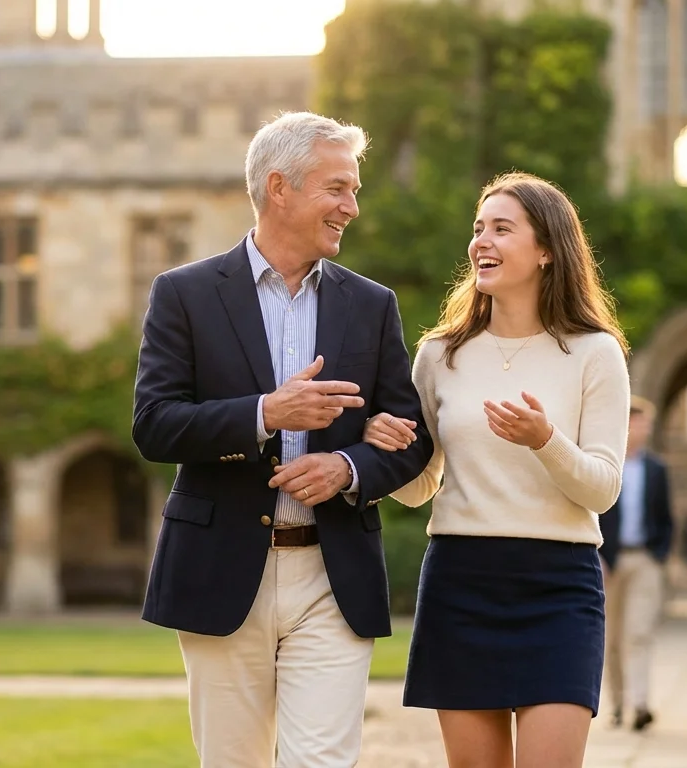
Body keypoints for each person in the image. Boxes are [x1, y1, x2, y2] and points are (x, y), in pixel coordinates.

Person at [131, 111, 434, 768]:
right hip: (219, 571)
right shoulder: (184, 296)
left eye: (353, 190)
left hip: (334, 576)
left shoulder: (371, 304)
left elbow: (411, 439)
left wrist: (349, 468)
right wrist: (267, 412)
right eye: (338, 189)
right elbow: (154, 424)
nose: (352, 207)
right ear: (280, 188)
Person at [361, 171, 630, 768]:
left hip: (559, 587)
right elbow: (419, 487)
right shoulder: (440, 354)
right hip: (461, 580)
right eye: (478, 228)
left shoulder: (594, 352)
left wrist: (545, 441)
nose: (481, 241)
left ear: (546, 250)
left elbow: (604, 490)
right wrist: (384, 449)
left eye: (502, 229)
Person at [599, 395, 673, 732]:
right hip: (608, 561)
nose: (640, 429)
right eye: (635, 422)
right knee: (611, 636)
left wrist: (659, 555)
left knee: (639, 633)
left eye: (645, 424)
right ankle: (617, 705)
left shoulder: (657, 469)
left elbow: (666, 518)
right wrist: (598, 555)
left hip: (645, 558)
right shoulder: (604, 462)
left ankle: (641, 704)